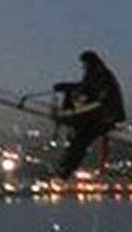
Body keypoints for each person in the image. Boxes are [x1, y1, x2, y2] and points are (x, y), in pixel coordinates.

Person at [52, 50, 126, 178]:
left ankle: (65, 169)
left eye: (84, 64)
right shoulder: (96, 75)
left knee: (81, 140)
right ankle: (65, 168)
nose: (83, 67)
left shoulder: (101, 76)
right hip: (100, 116)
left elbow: (95, 97)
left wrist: (72, 114)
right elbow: (85, 89)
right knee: (79, 140)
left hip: (105, 117)